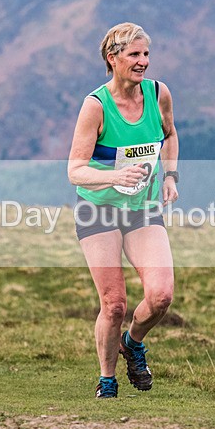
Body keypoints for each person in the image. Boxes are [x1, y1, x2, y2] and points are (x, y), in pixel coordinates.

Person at [67, 22, 179, 398]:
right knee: (114, 304)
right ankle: (107, 381)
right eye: (134, 55)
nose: (143, 62)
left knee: (161, 295)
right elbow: (74, 170)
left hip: (142, 209)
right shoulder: (95, 106)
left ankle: (132, 343)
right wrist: (113, 177)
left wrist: (170, 176)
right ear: (112, 59)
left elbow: (170, 134)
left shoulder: (159, 93)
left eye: (146, 54)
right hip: (98, 210)